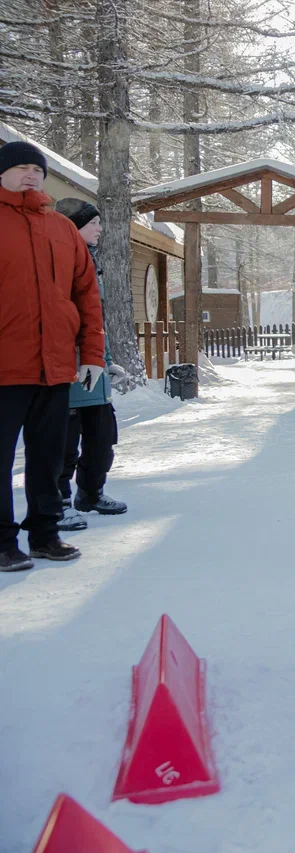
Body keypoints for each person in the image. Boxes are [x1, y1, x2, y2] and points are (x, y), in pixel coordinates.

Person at [0, 141, 105, 571]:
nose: (30, 174)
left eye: (37, 169)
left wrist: (93, 355)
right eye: (20, 167)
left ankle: (45, 533)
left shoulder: (62, 230)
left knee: (48, 455)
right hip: (5, 367)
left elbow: (86, 296)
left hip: (54, 366)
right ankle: (4, 543)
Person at [53, 198, 127, 532]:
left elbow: (94, 321)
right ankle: (60, 502)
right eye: (93, 223)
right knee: (64, 441)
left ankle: (90, 493)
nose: (100, 229)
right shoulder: (56, 262)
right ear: (73, 227)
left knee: (102, 437)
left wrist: (106, 360)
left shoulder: (89, 261)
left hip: (94, 368)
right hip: (66, 368)